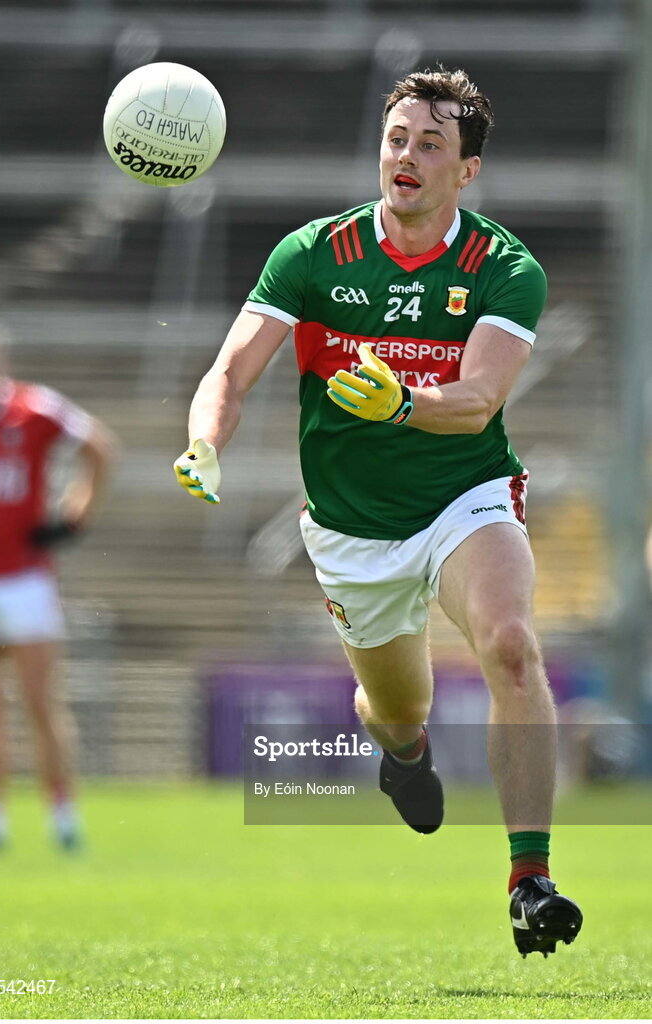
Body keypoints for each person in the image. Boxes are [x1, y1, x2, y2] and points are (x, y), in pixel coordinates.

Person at [174, 67, 583, 957]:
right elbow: (230, 373)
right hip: (353, 529)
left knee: (512, 644)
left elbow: (477, 400)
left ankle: (529, 879)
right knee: (397, 710)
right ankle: (402, 755)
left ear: (466, 171)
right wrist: (205, 441)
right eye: (398, 137)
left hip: (464, 495)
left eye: (431, 144)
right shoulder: (313, 253)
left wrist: (399, 402)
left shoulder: (505, 268)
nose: (407, 155)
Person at [0, 321, 115, 852]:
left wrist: (76, 515)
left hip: (23, 579)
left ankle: (63, 817)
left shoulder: (33, 408)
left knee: (40, 701)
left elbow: (101, 447)